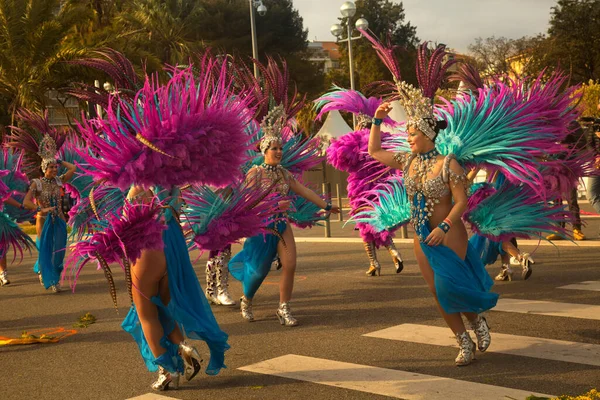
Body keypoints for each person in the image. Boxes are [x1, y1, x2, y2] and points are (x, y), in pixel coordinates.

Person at [368, 101, 497, 366]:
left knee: (449, 285)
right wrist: (377, 120)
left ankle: (476, 321)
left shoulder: (449, 164)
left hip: (449, 232)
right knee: (437, 292)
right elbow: (374, 150)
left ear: (427, 134)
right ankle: (463, 341)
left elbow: (461, 201)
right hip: (422, 236)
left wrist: (444, 226)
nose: (408, 139)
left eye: (412, 134)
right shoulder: (408, 160)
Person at [230, 107, 340, 326]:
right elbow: (246, 202)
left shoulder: (283, 173)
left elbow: (304, 190)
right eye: (274, 148)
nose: (279, 151)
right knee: (258, 271)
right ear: (264, 150)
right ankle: (247, 299)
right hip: (261, 228)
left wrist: (326, 205)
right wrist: (272, 203)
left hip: (281, 225)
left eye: (280, 148)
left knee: (290, 264)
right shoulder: (255, 173)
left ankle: (284, 308)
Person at [22, 135, 76, 292]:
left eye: (55, 167)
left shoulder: (59, 181)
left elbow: (73, 168)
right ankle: (51, 280)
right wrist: (41, 209)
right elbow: (26, 202)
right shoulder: (36, 183)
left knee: (59, 251)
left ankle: (50, 273)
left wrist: (58, 161)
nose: (54, 169)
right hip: (43, 220)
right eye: (51, 167)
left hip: (59, 220)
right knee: (46, 248)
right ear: (44, 169)